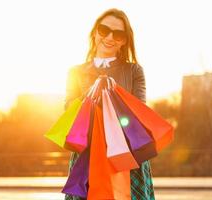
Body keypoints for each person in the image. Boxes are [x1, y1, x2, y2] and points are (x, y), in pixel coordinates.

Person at [64, 8, 155, 200]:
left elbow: (140, 111)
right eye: (104, 30)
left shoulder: (134, 71)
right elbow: (69, 111)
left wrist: (114, 93)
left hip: (127, 153)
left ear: (125, 40)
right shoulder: (75, 72)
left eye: (119, 34)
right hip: (87, 156)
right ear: (95, 32)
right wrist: (92, 93)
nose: (110, 37)